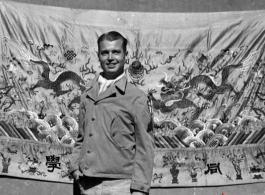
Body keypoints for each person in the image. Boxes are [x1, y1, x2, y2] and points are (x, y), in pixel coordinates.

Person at [70, 31, 155, 195]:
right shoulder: (87, 95)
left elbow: (146, 147)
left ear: (126, 55)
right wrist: (75, 166)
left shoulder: (137, 98)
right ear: (98, 55)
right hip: (84, 183)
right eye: (105, 52)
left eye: (116, 51)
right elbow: (81, 137)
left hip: (121, 186)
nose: (110, 57)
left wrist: (140, 189)